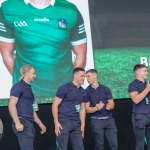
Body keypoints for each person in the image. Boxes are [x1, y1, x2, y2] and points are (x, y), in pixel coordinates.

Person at [0, 0, 87, 101]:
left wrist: (71, 85)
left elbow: (80, 54)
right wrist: (25, 81)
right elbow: (6, 53)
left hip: (64, 91)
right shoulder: (9, 8)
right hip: (26, 93)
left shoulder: (69, 10)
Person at [8, 64, 46, 150]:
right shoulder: (18, 86)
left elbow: (31, 109)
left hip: (29, 123)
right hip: (22, 121)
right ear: (27, 74)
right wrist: (17, 122)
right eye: (33, 73)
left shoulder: (28, 88)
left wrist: (40, 123)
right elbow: (11, 105)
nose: (35, 76)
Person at [52, 67, 86, 150]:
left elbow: (82, 109)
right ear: (75, 76)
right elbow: (54, 105)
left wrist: (83, 124)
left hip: (76, 123)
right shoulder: (64, 88)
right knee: (62, 147)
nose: (83, 78)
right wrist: (56, 122)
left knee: (79, 148)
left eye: (84, 76)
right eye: (82, 76)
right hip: (64, 122)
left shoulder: (83, 91)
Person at [85, 69, 118, 150]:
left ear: (95, 76)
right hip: (96, 121)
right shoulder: (86, 91)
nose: (87, 79)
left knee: (114, 145)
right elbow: (86, 109)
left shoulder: (106, 89)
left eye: (88, 76)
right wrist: (97, 108)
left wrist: (110, 106)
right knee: (99, 146)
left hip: (109, 120)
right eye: (86, 77)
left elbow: (112, 103)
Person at [128, 64, 150, 150]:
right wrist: (147, 89)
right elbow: (136, 100)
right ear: (138, 72)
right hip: (139, 116)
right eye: (145, 71)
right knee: (140, 144)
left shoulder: (147, 84)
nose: (147, 73)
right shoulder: (133, 85)